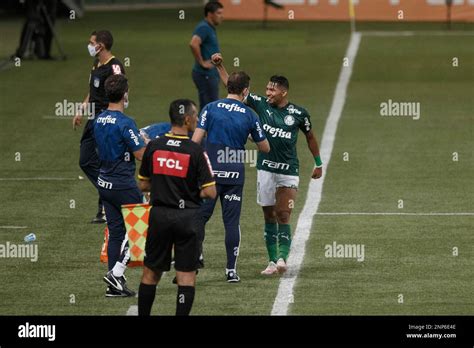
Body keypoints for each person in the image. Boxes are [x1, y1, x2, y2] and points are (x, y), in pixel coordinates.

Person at [211, 53, 323, 275]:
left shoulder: (299, 113)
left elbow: (310, 137)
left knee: (284, 214)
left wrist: (318, 163)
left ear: (284, 92)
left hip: (289, 170)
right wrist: (220, 66)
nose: (268, 93)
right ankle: (272, 261)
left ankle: (282, 258)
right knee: (269, 215)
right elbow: (232, 88)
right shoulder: (260, 104)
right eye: (267, 89)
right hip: (265, 169)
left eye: (272, 90)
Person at [137, 99, 217, 316]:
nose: (198, 120)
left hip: (159, 216)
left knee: (150, 273)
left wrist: (163, 187)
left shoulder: (154, 146)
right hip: (187, 219)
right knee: (186, 277)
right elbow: (210, 192)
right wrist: (190, 192)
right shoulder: (196, 151)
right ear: (188, 119)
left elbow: (143, 184)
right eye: (196, 116)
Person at [192, 71, 270, 282]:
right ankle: (231, 271)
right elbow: (265, 147)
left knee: (200, 217)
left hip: (210, 174)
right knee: (232, 223)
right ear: (245, 90)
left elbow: (195, 141)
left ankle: (196, 255)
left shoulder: (210, 108)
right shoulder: (250, 114)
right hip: (234, 174)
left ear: (228, 87)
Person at [93, 74, 145, 297]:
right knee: (140, 229)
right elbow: (141, 154)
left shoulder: (99, 119)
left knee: (115, 232)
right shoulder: (125, 123)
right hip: (123, 183)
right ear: (125, 94)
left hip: (104, 181)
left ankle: (113, 287)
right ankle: (116, 273)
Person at [73, 30, 125, 224]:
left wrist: (115, 117)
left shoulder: (115, 66)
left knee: (105, 161)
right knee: (86, 160)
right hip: (93, 118)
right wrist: (81, 109)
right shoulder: (96, 63)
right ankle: (108, 193)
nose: (89, 45)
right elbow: (92, 90)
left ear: (100, 45)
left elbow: (123, 92)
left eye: (91, 42)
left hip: (106, 119)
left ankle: (105, 207)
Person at [189, 1, 224, 111]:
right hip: (205, 75)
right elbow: (193, 43)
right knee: (209, 108)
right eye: (218, 13)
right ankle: (203, 128)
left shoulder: (209, 27)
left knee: (210, 106)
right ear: (210, 14)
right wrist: (202, 62)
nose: (221, 16)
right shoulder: (204, 27)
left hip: (210, 74)